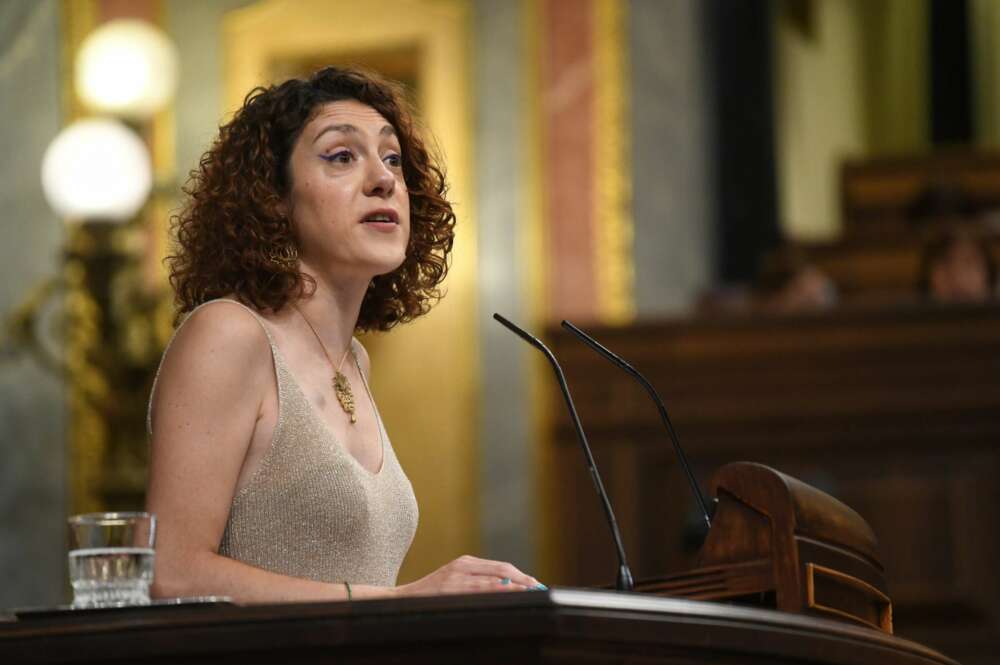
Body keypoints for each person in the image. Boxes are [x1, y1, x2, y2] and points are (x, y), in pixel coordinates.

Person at [146, 67, 540, 603]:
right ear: (274, 197)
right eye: (342, 156)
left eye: (393, 159)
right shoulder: (230, 334)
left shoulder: (352, 360)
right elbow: (172, 574)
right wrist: (402, 604)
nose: (383, 179)